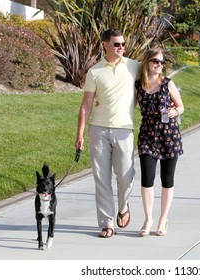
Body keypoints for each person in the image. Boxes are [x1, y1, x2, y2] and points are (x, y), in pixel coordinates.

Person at [75, 28, 140, 238]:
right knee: (101, 178)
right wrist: (80, 135)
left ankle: (123, 206)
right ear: (105, 44)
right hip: (99, 129)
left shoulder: (134, 66)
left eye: (123, 44)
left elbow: (151, 84)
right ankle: (106, 223)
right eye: (116, 44)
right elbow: (86, 104)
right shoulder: (94, 71)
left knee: (125, 176)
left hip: (124, 130)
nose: (121, 48)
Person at [135, 47, 184, 237]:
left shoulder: (167, 84)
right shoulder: (139, 85)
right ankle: (148, 219)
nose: (159, 65)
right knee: (147, 178)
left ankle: (163, 220)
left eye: (162, 62)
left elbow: (181, 106)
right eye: (156, 61)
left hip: (168, 135)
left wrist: (175, 111)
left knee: (167, 179)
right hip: (147, 135)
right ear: (147, 62)